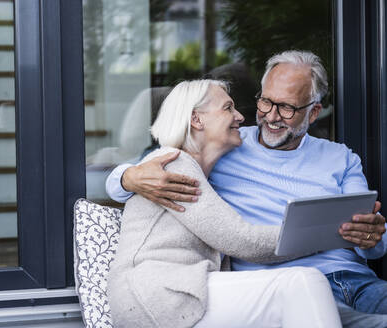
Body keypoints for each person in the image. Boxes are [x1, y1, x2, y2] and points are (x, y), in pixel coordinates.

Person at [106, 51, 387, 318]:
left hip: (359, 281)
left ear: (313, 113)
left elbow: (372, 238)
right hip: (283, 286)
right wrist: (126, 178)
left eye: (287, 107)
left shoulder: (341, 157)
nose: (272, 116)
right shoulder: (225, 145)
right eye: (266, 102)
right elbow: (155, 164)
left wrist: (373, 239)